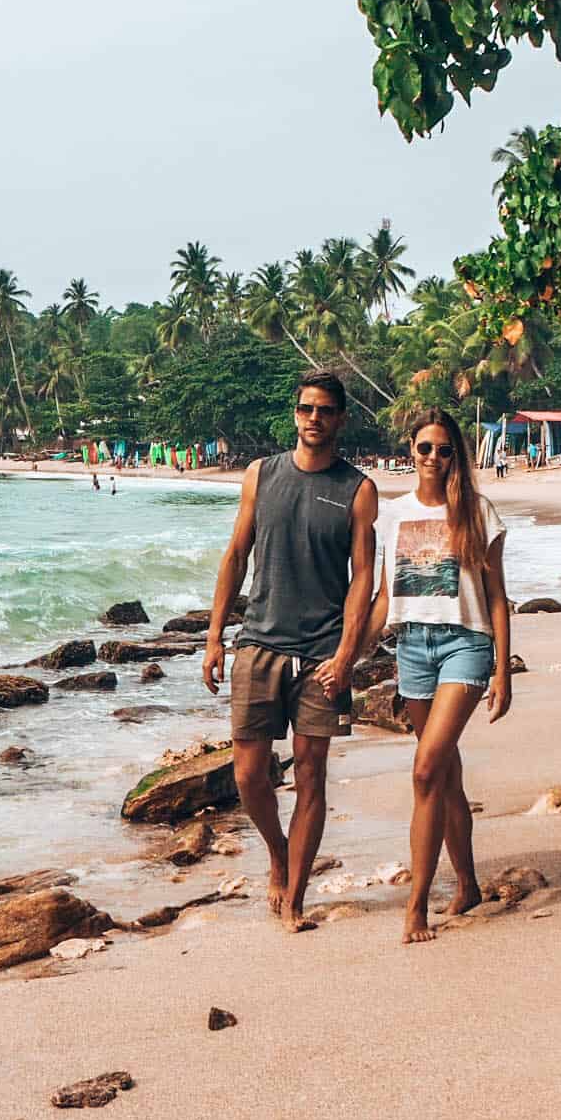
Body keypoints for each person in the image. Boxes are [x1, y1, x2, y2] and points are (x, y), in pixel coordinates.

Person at [203, 369, 376, 933]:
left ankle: (296, 894)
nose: (314, 419)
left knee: (310, 775)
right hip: (258, 642)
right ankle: (278, 853)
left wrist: (347, 652)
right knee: (250, 775)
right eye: (306, 409)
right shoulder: (261, 475)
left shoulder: (358, 489)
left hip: (322, 652)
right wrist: (214, 638)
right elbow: (235, 555)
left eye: (325, 410)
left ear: (340, 419)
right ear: (295, 414)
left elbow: (363, 579)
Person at [365, 410, 512, 944]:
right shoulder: (391, 515)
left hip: (465, 646)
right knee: (446, 774)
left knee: (426, 770)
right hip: (412, 648)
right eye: (425, 447)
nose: (433, 457)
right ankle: (468, 884)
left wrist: (502, 671)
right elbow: (387, 596)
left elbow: (496, 596)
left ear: (456, 455)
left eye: (444, 449)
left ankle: (416, 906)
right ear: (411, 450)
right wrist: (349, 654)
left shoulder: (478, 511)